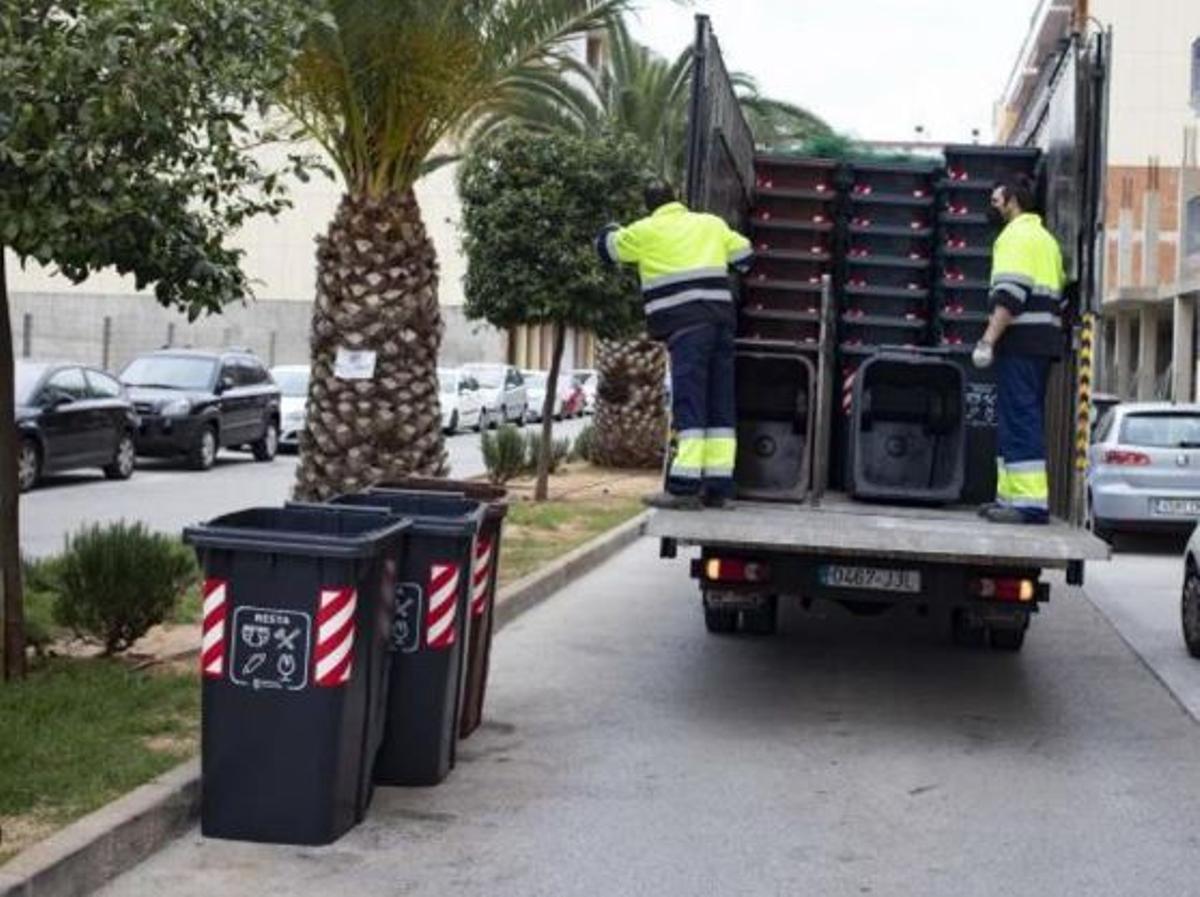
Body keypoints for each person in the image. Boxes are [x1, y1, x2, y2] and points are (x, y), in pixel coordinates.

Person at [596, 182, 753, 510]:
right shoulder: (710, 223)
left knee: (690, 404)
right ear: (676, 200)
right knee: (719, 404)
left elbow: (608, 249)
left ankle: (684, 488)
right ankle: (719, 488)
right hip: (721, 325)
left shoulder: (644, 231)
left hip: (687, 330)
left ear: (649, 206)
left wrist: (610, 228)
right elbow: (745, 256)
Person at [972, 174, 1066, 525]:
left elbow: (1010, 296)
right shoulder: (1045, 240)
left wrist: (987, 341)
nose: (992, 208)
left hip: (1022, 343)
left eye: (996, 201)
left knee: (1021, 417)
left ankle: (1029, 504)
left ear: (1012, 200)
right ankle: (1009, 498)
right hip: (1040, 344)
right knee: (1017, 417)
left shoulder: (1015, 236)